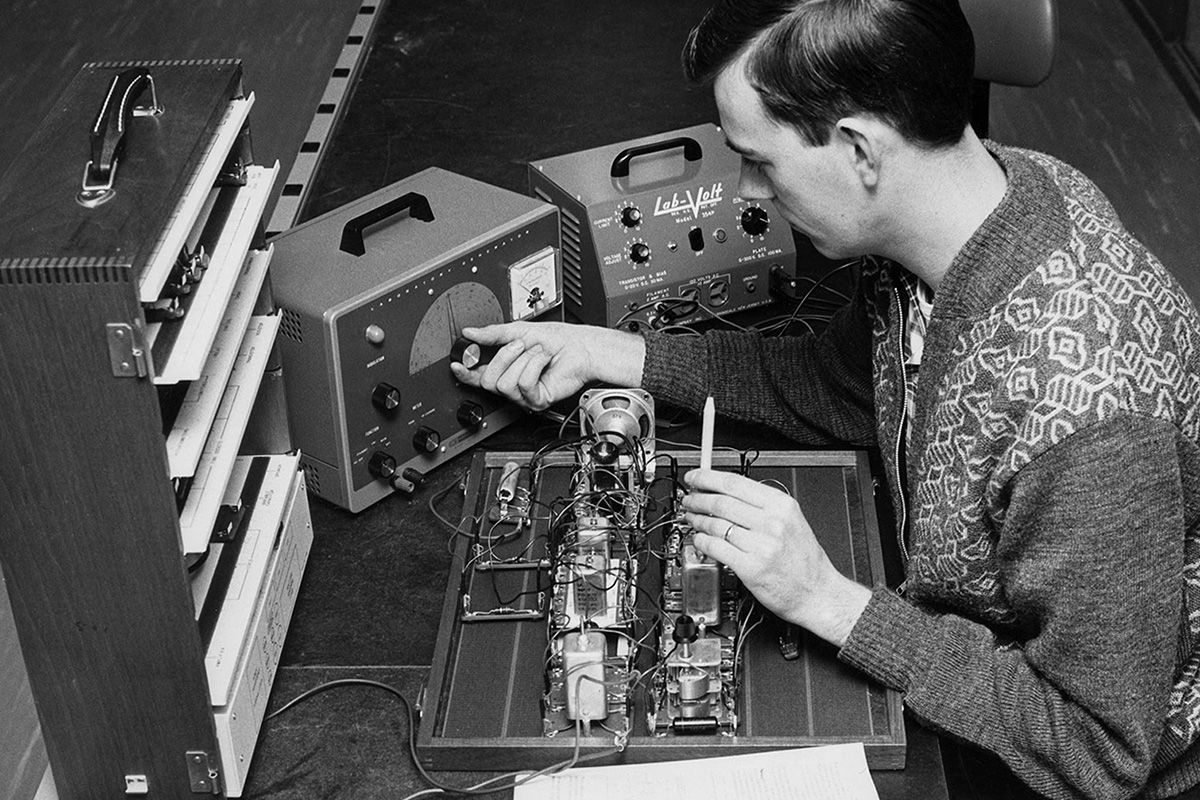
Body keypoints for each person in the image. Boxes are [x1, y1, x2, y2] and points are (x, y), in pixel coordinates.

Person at [450, 1, 1200, 798]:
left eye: (760, 162)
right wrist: (621, 355)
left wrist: (830, 602)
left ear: (858, 151)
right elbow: (848, 387)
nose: (748, 189)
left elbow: (1097, 748)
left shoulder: (1088, 417)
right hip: (965, 636)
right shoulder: (979, 202)